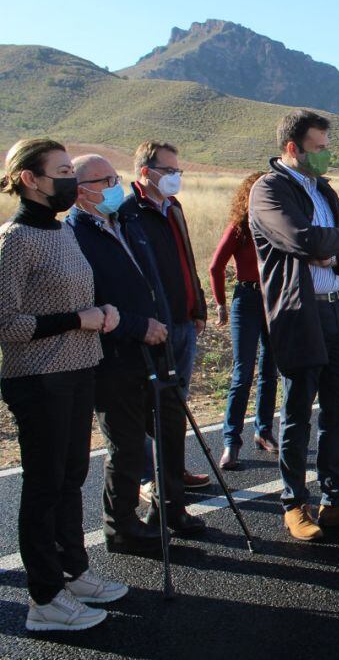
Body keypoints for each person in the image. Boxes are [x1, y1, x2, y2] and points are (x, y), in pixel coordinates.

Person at [0, 140, 126, 632]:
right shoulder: (15, 240)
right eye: (61, 171)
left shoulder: (60, 231)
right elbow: (6, 322)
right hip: (39, 378)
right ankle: (45, 599)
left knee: (72, 477)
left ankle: (74, 571)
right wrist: (81, 318)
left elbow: (77, 299)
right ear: (30, 179)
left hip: (78, 370)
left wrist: (103, 315)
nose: (70, 180)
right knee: (45, 485)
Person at [249, 109, 339, 541]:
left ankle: (337, 499)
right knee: (296, 414)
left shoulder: (323, 188)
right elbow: (300, 239)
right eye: (319, 148)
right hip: (300, 315)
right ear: (293, 148)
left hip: (336, 311)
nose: (327, 156)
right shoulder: (268, 190)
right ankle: (294, 504)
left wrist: (336, 252)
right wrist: (333, 242)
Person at [69, 154, 207, 549]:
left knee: (169, 427)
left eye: (115, 177)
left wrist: (164, 320)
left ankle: (171, 507)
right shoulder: (76, 235)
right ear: (81, 192)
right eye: (105, 180)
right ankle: (122, 526)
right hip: (114, 357)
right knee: (127, 445)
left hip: (155, 343)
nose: (116, 185)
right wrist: (138, 327)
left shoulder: (122, 221)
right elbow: (94, 302)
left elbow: (153, 280)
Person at [121, 140, 210, 494]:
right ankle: (150, 476)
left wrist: (198, 307)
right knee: (149, 404)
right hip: (153, 327)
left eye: (178, 171)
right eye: (169, 171)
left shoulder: (173, 207)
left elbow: (187, 260)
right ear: (146, 172)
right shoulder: (127, 213)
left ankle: (172, 470)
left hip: (184, 322)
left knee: (176, 403)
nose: (176, 177)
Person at [210, 173, 280, 470]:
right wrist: (221, 304)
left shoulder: (276, 226)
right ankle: (231, 441)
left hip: (274, 301)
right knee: (243, 372)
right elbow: (215, 267)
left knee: (269, 370)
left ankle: (263, 432)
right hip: (246, 300)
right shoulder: (239, 228)